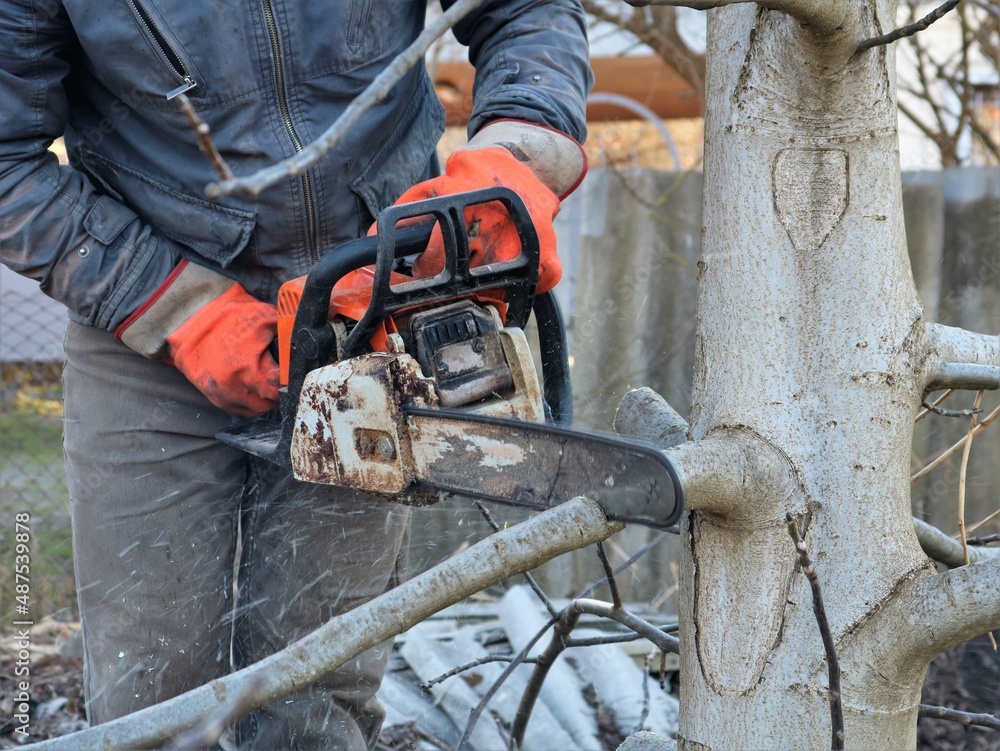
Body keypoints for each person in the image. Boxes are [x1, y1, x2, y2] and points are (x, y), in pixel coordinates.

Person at [0, 1, 591, 748]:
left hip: (370, 316)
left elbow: (525, 11)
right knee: (149, 698)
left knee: (316, 696)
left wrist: (520, 154)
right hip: (145, 315)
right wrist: (178, 307)